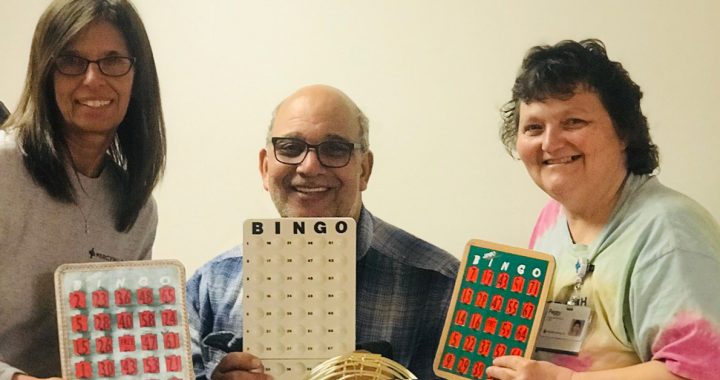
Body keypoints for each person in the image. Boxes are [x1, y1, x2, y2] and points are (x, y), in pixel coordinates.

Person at [186, 84, 459, 380]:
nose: (310, 166)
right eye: (290, 148)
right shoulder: (210, 285)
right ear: (265, 168)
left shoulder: (440, 285)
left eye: (335, 148)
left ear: (364, 170)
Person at [488, 39, 720, 380]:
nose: (550, 143)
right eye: (534, 127)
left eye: (573, 122)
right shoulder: (552, 220)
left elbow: (700, 370)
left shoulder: (670, 229)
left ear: (623, 131)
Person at [0, 0, 165, 379]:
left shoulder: (138, 209)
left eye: (113, 61)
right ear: (46, 73)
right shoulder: (4, 168)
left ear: (136, 76)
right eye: (71, 61)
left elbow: (126, 345)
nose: (93, 80)